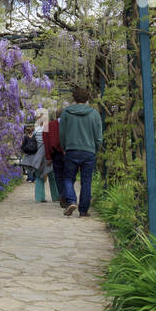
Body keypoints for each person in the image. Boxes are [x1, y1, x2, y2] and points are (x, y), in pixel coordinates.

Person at [59, 86, 103, 217]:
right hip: (89, 151)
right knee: (86, 181)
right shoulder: (94, 113)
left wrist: (64, 147)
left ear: (74, 97)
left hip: (71, 150)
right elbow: (98, 135)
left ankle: (72, 201)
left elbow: (62, 134)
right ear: (87, 98)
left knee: (68, 178)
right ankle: (83, 210)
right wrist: (96, 148)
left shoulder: (66, 113)